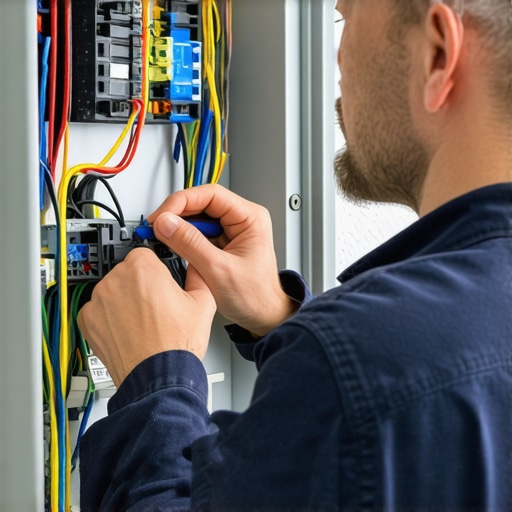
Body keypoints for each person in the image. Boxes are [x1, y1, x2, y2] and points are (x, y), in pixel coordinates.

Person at [78, 0, 512, 510]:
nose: (338, 57)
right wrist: (280, 323)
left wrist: (157, 382)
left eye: (348, 18)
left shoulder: (365, 355)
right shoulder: (386, 351)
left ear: (437, 53)